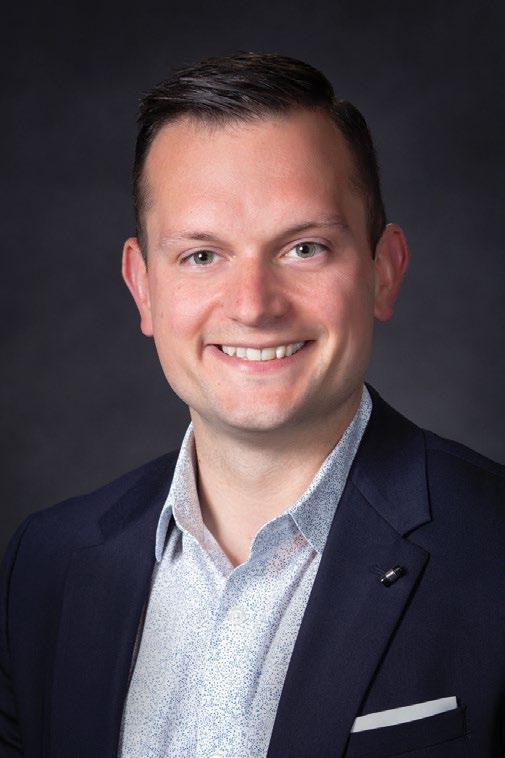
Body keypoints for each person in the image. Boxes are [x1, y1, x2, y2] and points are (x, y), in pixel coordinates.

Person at [1, 52, 503, 758]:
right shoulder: (46, 566)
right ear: (143, 287)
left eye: (304, 248)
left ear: (383, 272)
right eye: (201, 255)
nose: (253, 306)